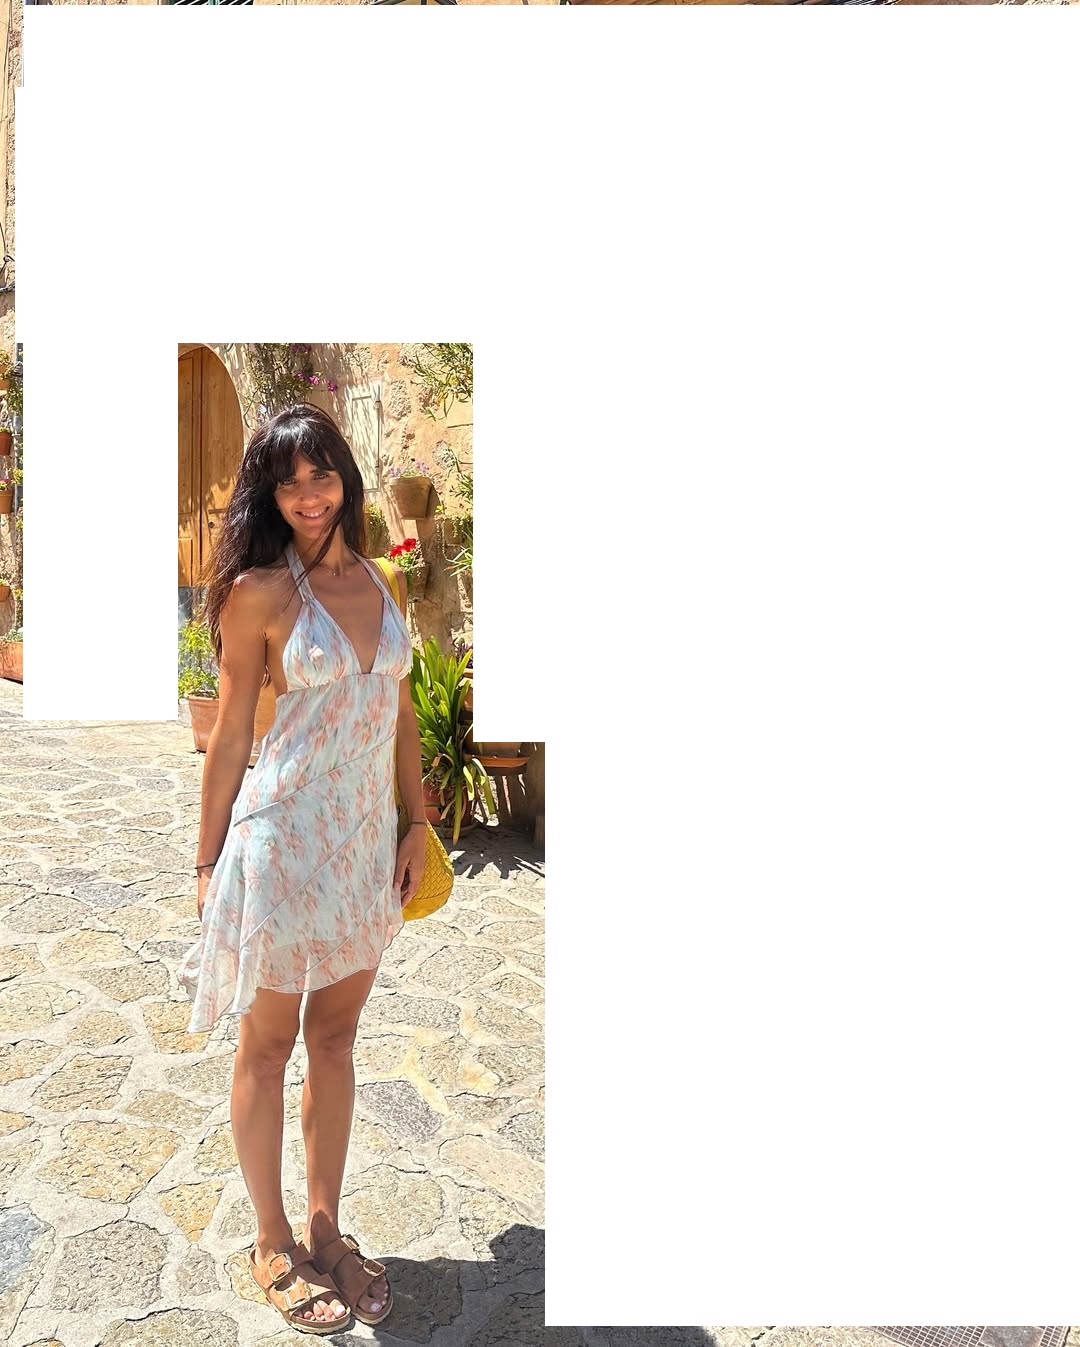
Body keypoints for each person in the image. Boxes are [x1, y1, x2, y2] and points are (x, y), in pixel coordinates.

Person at [178, 403, 427, 1334]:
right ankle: (272, 1238)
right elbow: (230, 735)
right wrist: (207, 860)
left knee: (336, 1040)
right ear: (270, 495)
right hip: (283, 845)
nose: (309, 495)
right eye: (289, 482)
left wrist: (417, 821)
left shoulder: (383, 580)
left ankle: (326, 1226)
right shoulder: (259, 593)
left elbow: (400, 712)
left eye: (322, 475)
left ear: (345, 479)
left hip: (363, 850)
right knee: (267, 1045)